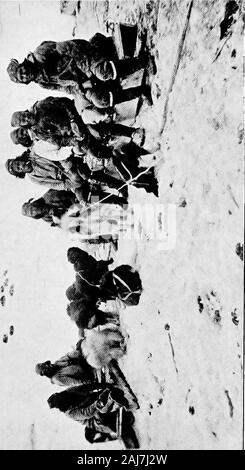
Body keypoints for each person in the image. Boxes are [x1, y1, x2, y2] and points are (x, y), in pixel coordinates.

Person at [7, 36, 155, 107]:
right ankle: (140, 92)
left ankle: (143, 61)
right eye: (22, 78)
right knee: (100, 101)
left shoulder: (40, 54)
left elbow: (70, 47)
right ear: (25, 82)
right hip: (82, 79)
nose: (25, 74)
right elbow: (66, 88)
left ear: (23, 64)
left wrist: (87, 70)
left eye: (22, 71)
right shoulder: (42, 82)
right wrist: (82, 88)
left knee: (104, 72)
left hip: (84, 56)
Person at [47, 383, 129, 425]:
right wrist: (98, 402)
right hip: (94, 418)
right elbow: (88, 412)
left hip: (94, 399)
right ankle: (114, 402)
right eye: (60, 398)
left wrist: (103, 385)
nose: (62, 396)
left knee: (104, 393)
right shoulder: (70, 413)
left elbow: (87, 387)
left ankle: (110, 396)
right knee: (102, 412)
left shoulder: (68, 392)